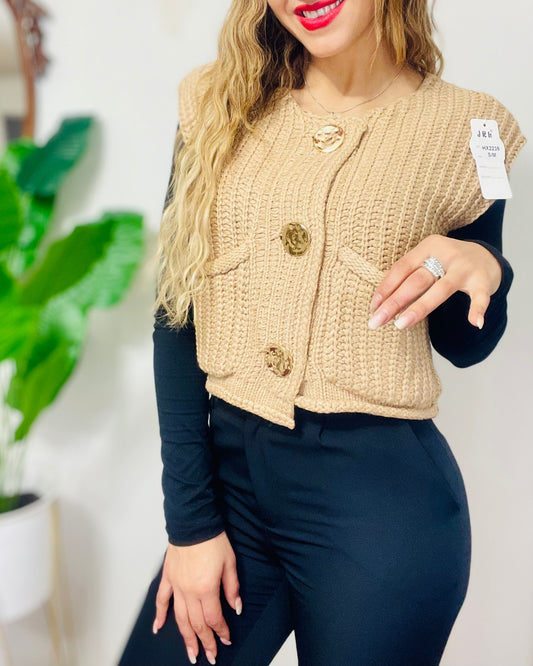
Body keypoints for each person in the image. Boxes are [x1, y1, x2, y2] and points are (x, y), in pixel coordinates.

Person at [118, 1, 526, 664]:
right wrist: (190, 525)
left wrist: (485, 265)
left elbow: (467, 344)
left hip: (381, 511)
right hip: (230, 488)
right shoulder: (217, 101)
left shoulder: (474, 128)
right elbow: (176, 313)